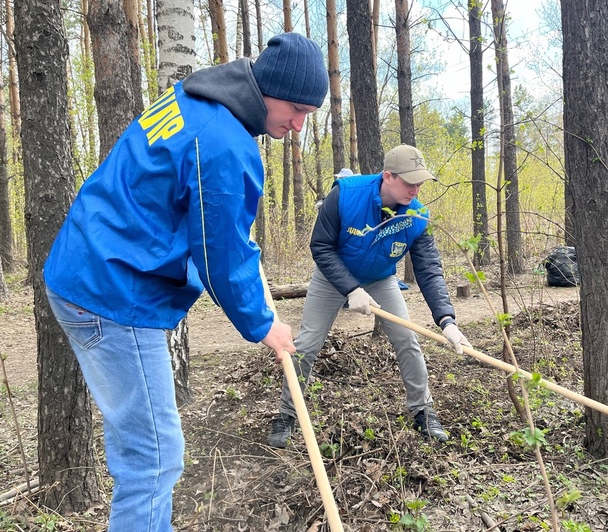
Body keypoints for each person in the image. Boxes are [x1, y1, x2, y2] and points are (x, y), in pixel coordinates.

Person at [42, 32, 329, 531]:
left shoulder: (194, 100)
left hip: (86, 265)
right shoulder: (224, 144)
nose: (299, 125)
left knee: (149, 452)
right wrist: (264, 324)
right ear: (269, 88)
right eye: (297, 109)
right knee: (152, 458)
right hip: (114, 291)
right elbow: (218, 254)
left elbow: (197, 214)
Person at [267, 144, 472, 447]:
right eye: (409, 182)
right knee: (307, 344)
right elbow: (320, 246)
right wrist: (350, 289)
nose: (415, 189)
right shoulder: (346, 195)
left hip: (379, 280)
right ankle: (287, 414)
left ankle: (423, 411)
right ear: (388, 176)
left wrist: (447, 320)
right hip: (332, 277)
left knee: (407, 339)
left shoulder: (417, 216)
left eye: (420, 182)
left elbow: (429, 270)